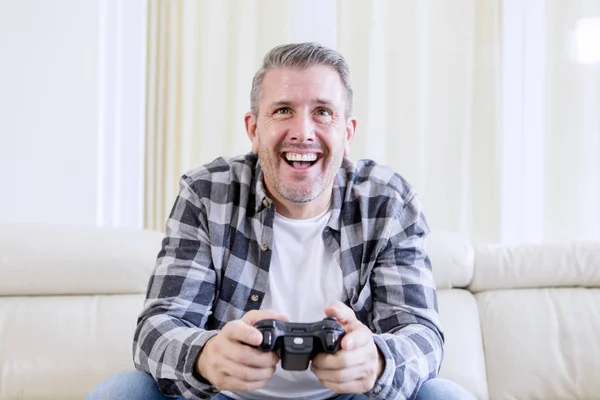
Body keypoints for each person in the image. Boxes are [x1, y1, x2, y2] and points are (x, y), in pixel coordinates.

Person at [85, 42, 475, 400]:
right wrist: (205, 356)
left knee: (444, 395)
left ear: (347, 133)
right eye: (283, 110)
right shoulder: (207, 193)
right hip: (227, 396)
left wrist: (377, 358)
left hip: (350, 396)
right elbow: (157, 328)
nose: (303, 133)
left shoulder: (387, 201)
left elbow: (422, 335)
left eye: (323, 112)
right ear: (254, 130)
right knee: (124, 390)